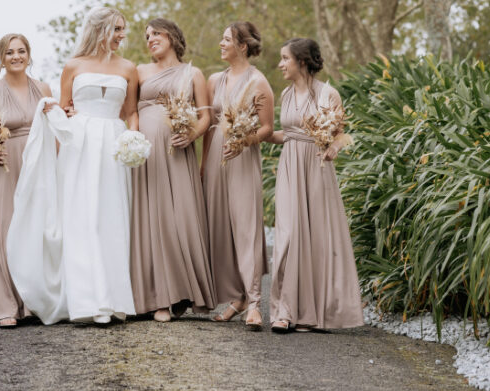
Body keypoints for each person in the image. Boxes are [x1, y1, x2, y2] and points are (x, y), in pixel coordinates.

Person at [7, 7, 139, 324]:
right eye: (117, 29)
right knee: (81, 219)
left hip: (113, 147)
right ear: (100, 30)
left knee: (111, 218)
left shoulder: (129, 68)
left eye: (123, 29)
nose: (122, 35)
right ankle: (85, 301)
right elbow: (64, 110)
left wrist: (132, 138)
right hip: (79, 146)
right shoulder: (73, 66)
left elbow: (131, 111)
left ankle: (111, 300)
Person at [266, 38, 363, 333]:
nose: (281, 64)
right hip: (289, 165)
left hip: (317, 168)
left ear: (302, 62)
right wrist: (255, 134)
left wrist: (334, 147)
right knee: (288, 234)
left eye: (285, 59)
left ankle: (313, 313)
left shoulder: (327, 94)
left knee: (317, 236)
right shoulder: (285, 93)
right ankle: (284, 310)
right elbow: (288, 133)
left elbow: (340, 133)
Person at [130, 18, 216, 322]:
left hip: (178, 155)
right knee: (151, 221)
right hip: (145, 156)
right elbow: (127, 110)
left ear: (172, 36)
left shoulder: (193, 73)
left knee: (178, 220)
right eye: (147, 36)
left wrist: (192, 134)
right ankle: (157, 298)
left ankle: (182, 293)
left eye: (156, 33)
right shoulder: (139, 71)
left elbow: (206, 116)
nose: (150, 39)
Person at [202, 22, 274, 330]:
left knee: (245, 226)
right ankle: (237, 297)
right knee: (220, 228)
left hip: (243, 158)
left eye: (226, 39)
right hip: (216, 157)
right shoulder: (214, 79)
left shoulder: (259, 83)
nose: (221, 44)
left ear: (242, 46)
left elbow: (267, 128)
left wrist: (244, 141)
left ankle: (256, 302)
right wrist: (204, 162)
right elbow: (208, 124)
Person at [0, 34, 51, 328]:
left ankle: (34, 301)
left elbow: (55, 124)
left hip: (39, 164)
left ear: (29, 54)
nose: (16, 56)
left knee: (36, 229)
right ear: (1, 58)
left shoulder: (43, 88)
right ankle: (5, 306)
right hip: (7, 164)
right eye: (10, 52)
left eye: (21, 51)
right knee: (5, 229)